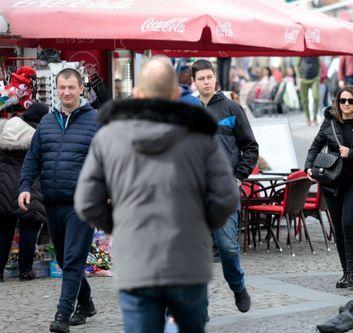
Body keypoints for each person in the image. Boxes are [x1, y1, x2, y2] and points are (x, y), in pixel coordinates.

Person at [74, 57, 238, 333]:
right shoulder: (200, 136)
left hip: (137, 261)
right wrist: (199, 227)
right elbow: (225, 196)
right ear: (176, 94)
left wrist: (119, 225)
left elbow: (87, 202)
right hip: (188, 259)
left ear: (137, 94)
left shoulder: (109, 137)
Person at [18, 68, 100, 332]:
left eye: (71, 87)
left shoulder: (95, 120)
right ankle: (86, 303)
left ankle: (62, 314)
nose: (66, 92)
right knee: (65, 259)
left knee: (74, 258)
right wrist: (24, 186)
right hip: (52, 201)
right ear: (57, 89)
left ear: (81, 89)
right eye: (62, 87)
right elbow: (33, 158)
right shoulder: (47, 122)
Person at [192, 59, 258, 313]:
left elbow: (251, 146)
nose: (206, 82)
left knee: (228, 247)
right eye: (201, 79)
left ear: (214, 79)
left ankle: (238, 287)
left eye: (209, 77)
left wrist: (238, 176)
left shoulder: (232, 109)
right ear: (195, 82)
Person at [305, 85, 353, 290]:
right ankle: (345, 273)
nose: (346, 105)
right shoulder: (330, 121)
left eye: (350, 101)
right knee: (338, 229)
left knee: (348, 223)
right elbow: (316, 145)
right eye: (342, 101)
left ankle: (352, 273)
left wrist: (352, 153)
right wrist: (308, 166)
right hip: (332, 182)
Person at [0, 103, 48, 282]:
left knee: (3, 231)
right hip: (28, 188)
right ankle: (25, 270)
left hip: (4, 185)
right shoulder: (38, 135)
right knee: (29, 228)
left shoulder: (7, 127)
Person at [296, 57, 321, 126]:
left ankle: (315, 117)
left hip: (314, 79)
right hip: (303, 79)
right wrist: (299, 76)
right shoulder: (301, 53)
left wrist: (319, 76)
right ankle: (308, 118)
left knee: (316, 97)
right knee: (305, 100)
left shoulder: (315, 52)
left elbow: (319, 65)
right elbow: (296, 66)